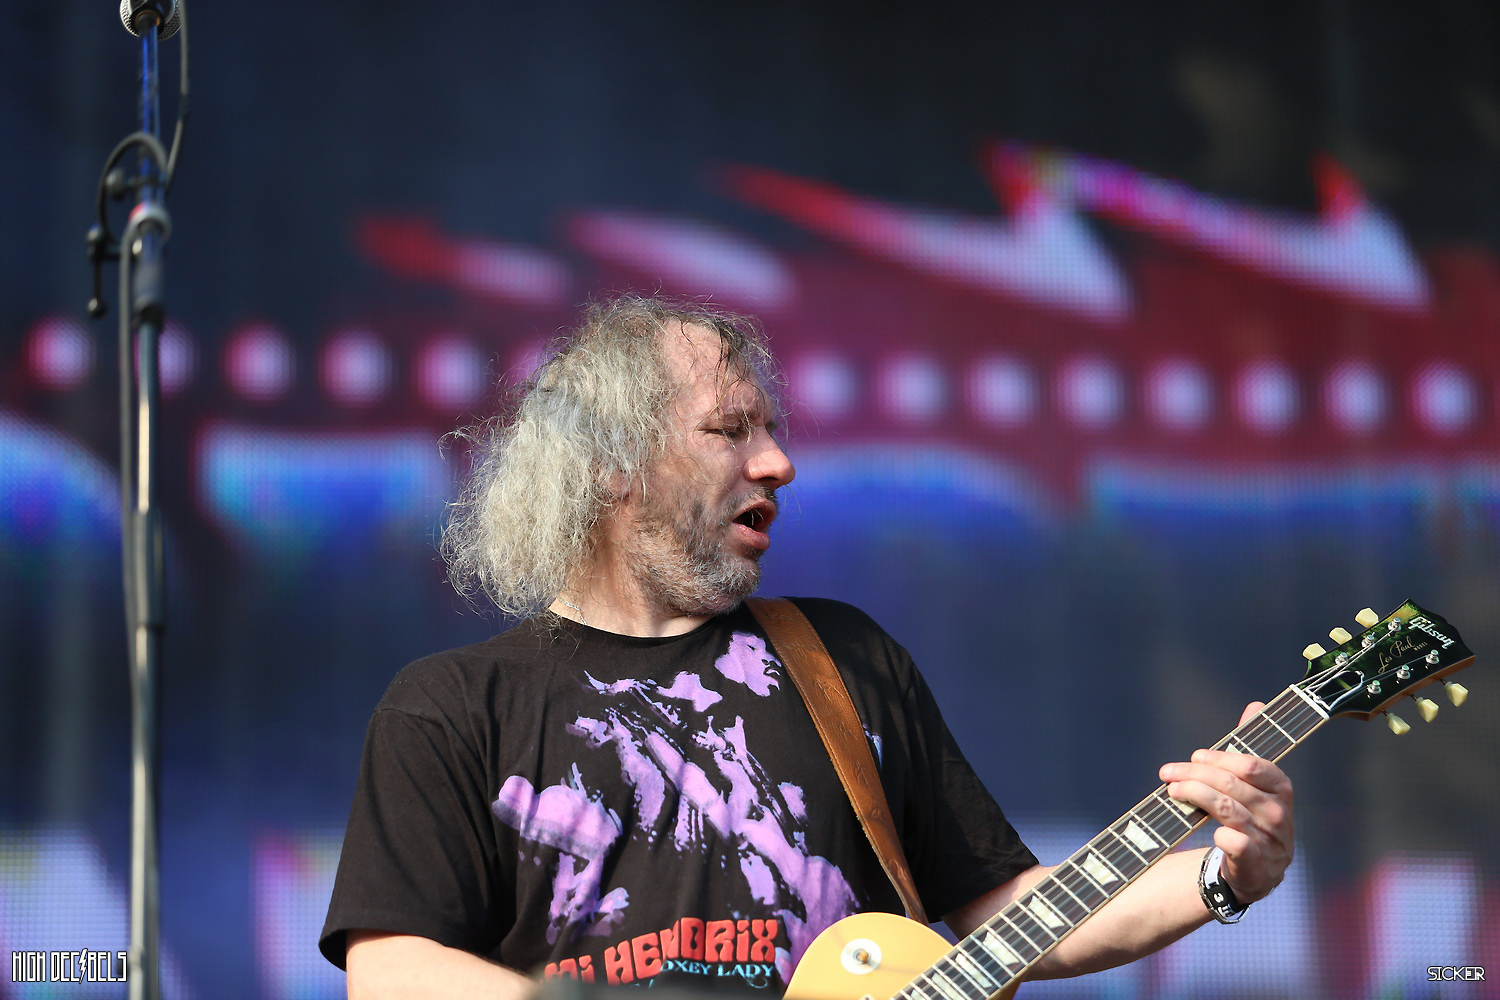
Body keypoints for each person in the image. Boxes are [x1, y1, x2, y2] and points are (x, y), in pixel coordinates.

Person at [320, 295, 1294, 999]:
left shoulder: (841, 658)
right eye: (730, 430)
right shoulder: (453, 707)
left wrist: (1224, 876)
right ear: (613, 465)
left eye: (772, 429)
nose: (778, 462)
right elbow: (393, 968)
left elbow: (1006, 912)